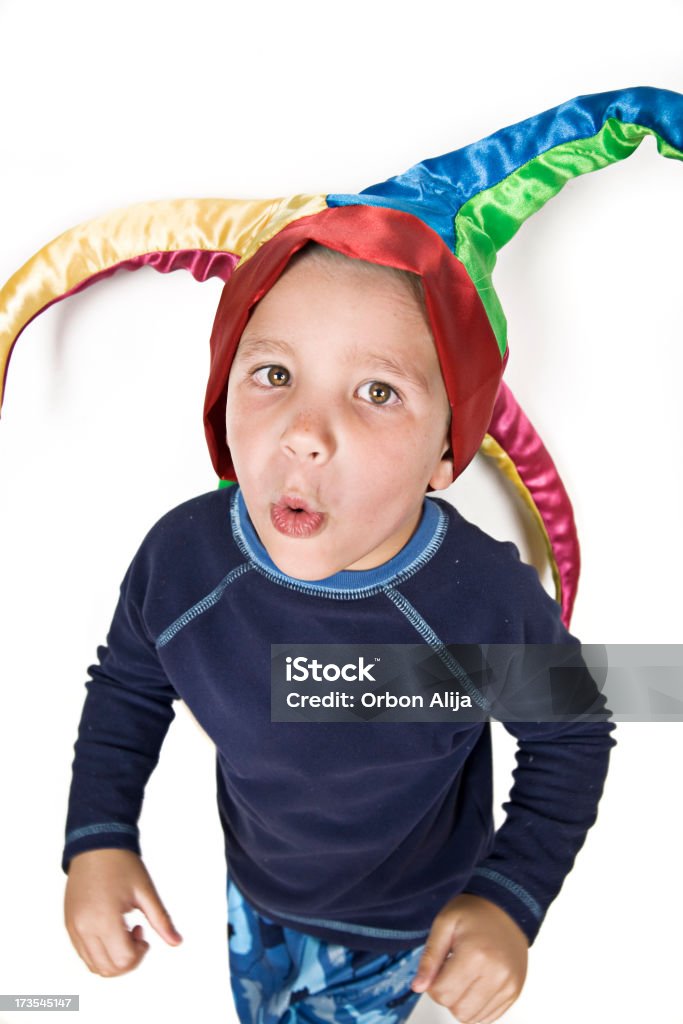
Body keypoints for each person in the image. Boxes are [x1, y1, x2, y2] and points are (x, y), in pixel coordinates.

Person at [62, 228, 616, 1024]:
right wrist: (98, 836)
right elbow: (128, 687)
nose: (304, 432)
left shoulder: (481, 602)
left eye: (378, 391)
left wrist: (511, 896)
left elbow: (571, 733)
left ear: (445, 455)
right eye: (274, 374)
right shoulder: (182, 560)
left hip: (405, 925)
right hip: (252, 890)